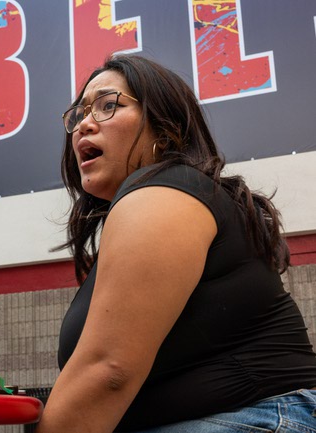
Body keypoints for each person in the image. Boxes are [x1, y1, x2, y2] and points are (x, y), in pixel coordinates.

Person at [36, 54, 316, 433]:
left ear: (165, 131)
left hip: (261, 418)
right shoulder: (161, 200)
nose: (84, 125)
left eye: (106, 106)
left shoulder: (164, 191)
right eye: (78, 115)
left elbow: (108, 370)